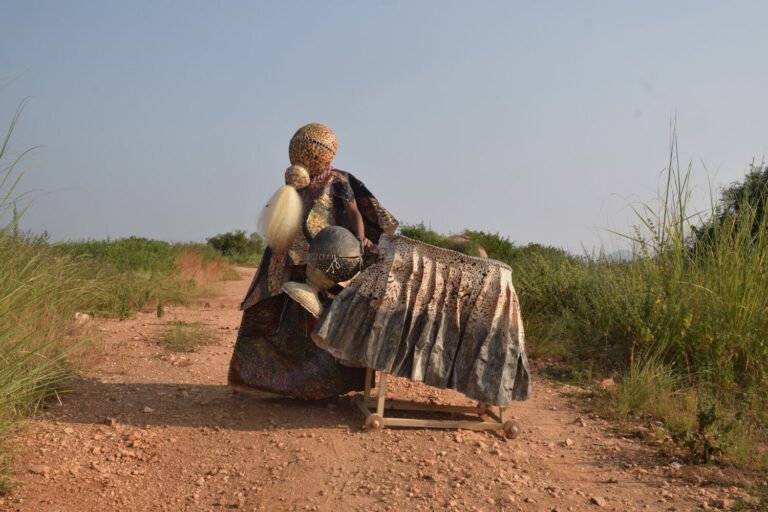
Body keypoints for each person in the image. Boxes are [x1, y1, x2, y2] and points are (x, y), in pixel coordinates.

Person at [228, 123, 398, 399]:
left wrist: (357, 241)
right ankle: (297, 385)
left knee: (300, 315)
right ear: (329, 153)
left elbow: (349, 212)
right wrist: (359, 239)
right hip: (313, 260)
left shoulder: (315, 181)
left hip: (310, 259)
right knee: (309, 316)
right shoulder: (321, 180)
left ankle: (284, 382)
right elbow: (353, 212)